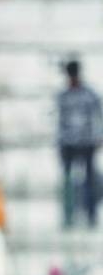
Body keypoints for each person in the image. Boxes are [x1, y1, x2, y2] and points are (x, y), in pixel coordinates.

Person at [57, 59, 102, 228]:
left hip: (86, 142)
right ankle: (68, 216)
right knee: (68, 181)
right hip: (68, 143)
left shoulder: (89, 95)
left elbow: (99, 116)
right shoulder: (63, 96)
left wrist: (99, 136)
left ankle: (91, 216)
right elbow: (59, 122)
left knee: (89, 181)